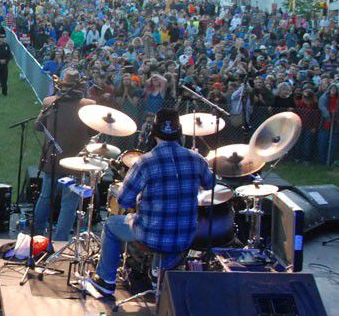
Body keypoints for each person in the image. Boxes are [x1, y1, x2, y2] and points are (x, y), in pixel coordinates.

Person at [88, 108, 214, 295]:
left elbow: (123, 200)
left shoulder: (145, 162)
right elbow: (210, 184)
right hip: (185, 236)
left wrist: (140, 197)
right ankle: (158, 276)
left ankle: (106, 281)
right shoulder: (196, 158)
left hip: (152, 235)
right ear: (180, 133)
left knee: (112, 225)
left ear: (153, 133)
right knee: (169, 226)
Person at [33, 68, 95, 241]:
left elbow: (37, 127)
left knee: (46, 197)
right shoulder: (88, 105)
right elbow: (92, 131)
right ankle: (60, 240)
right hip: (76, 164)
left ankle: (37, 235)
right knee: (69, 204)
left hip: (51, 162)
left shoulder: (49, 102)